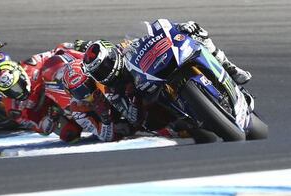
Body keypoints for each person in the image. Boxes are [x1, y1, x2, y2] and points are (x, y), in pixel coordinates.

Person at [80, 20, 253, 132]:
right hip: (150, 100)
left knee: (198, 33)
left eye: (105, 66)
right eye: (98, 73)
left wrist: (180, 27)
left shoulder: (124, 47)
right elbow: (134, 119)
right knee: (153, 124)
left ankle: (230, 69)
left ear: (112, 56)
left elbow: (154, 34)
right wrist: (133, 98)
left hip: (160, 69)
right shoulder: (111, 90)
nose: (104, 73)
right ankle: (190, 124)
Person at [62, 61, 133, 141]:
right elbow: (105, 137)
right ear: (70, 94)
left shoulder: (103, 75)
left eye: (88, 85)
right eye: (79, 92)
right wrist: (105, 118)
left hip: (126, 98)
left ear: (92, 77)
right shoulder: (77, 110)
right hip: (116, 120)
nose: (87, 95)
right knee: (125, 129)